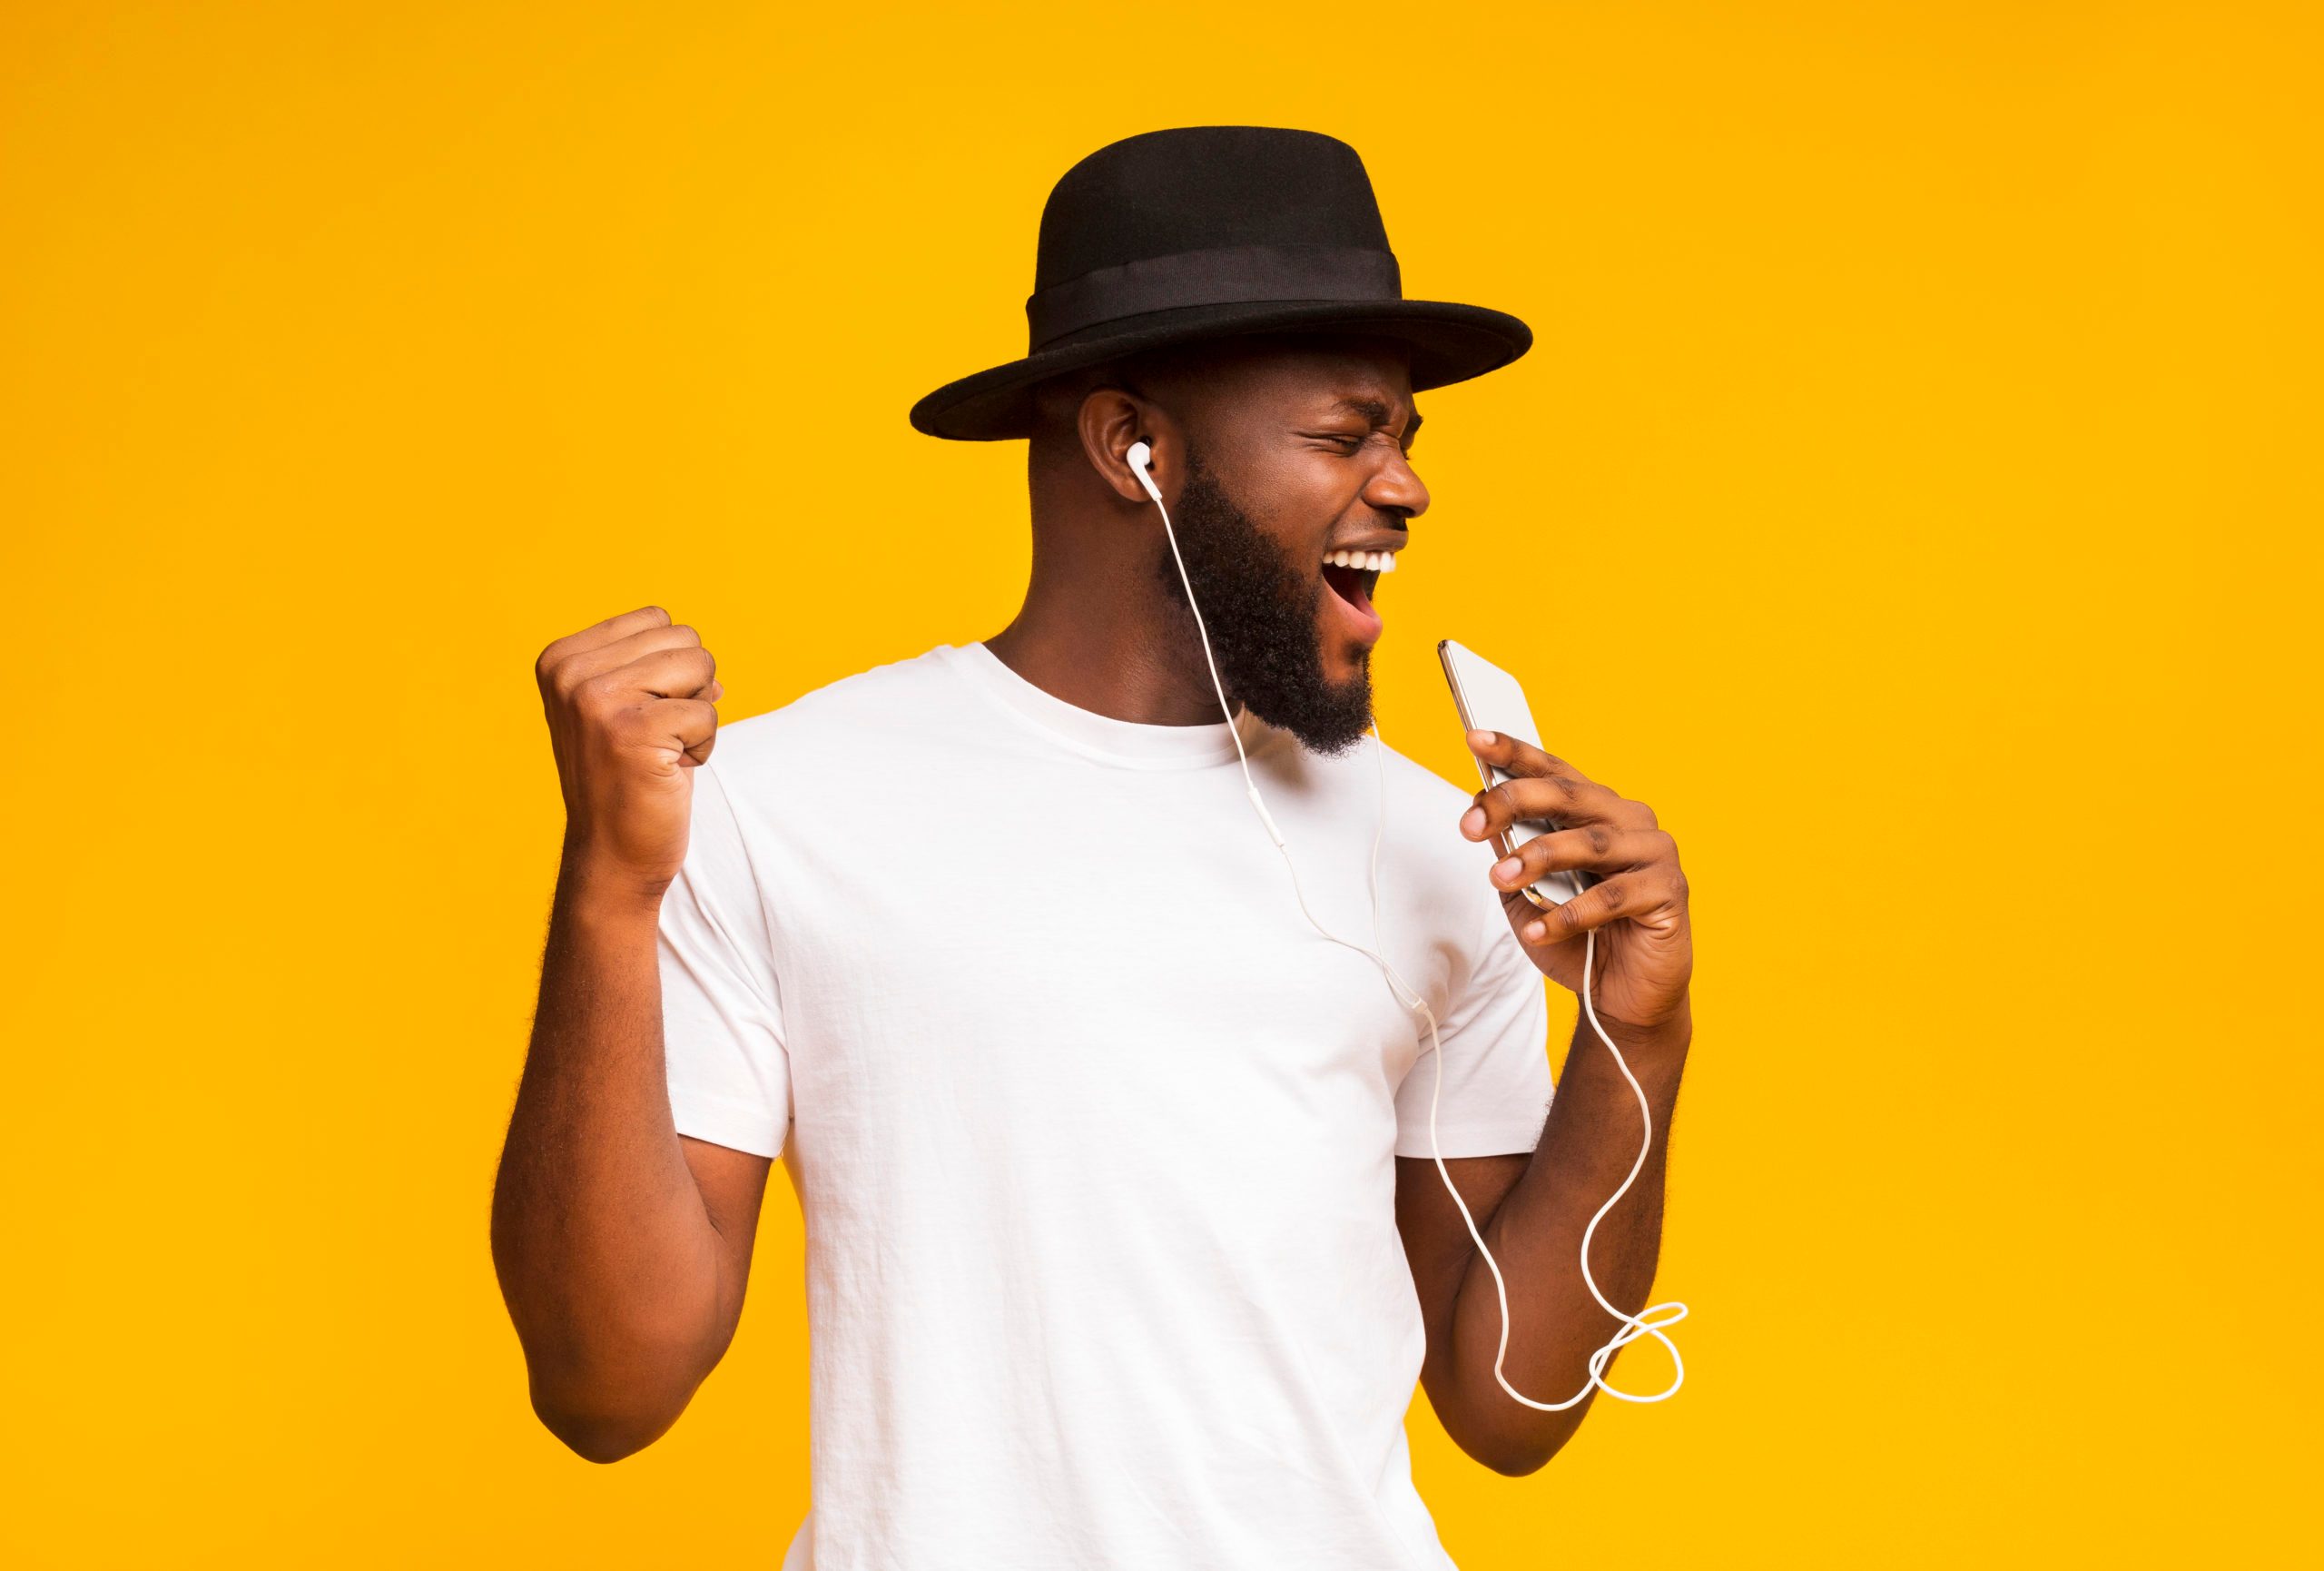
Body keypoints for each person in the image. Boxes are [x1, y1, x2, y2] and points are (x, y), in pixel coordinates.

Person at [490, 126, 1695, 1571]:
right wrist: (610, 892)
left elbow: (1512, 1403)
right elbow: (606, 1387)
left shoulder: (1446, 848)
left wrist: (1643, 1030)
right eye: (1344, 433)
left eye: (1408, 438)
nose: (1407, 486)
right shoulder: (782, 802)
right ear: (1133, 445)